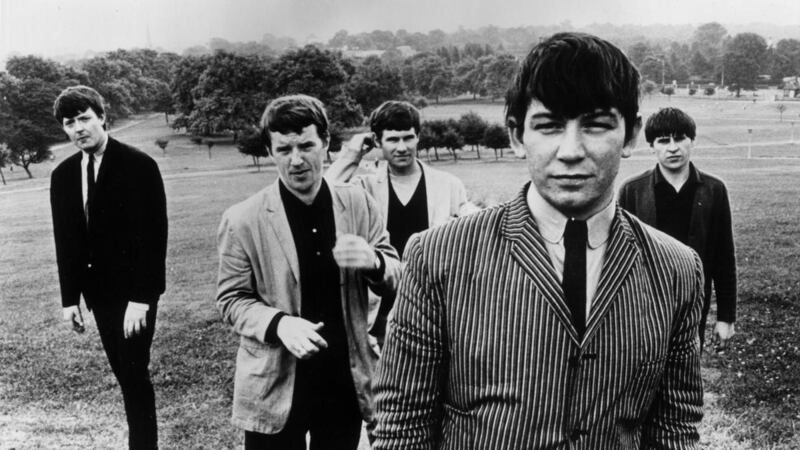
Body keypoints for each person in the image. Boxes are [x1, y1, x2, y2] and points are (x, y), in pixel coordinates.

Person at [373, 32, 704, 449]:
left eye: (596, 125)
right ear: (515, 135)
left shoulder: (676, 268)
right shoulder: (437, 256)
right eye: (548, 126)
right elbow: (402, 427)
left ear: (632, 135)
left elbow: (674, 429)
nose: (570, 150)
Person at [215, 94, 401, 449]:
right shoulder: (242, 219)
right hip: (275, 382)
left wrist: (374, 262)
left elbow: (397, 273)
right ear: (270, 151)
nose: (296, 160)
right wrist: (280, 324)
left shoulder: (359, 202)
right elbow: (231, 299)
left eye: (306, 146)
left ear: (326, 143)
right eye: (284, 150)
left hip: (342, 380)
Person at [50, 85, 167, 450]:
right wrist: (70, 299)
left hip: (134, 296)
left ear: (102, 117)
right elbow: (66, 242)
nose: (79, 128)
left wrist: (142, 298)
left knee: (133, 374)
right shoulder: (63, 175)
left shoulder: (139, 165)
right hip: (98, 296)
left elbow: (153, 236)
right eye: (70, 123)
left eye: (85, 118)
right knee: (126, 374)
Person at [326, 100, 478, 344]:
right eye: (392, 139)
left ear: (418, 137)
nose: (402, 147)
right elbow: (324, 195)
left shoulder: (448, 185)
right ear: (377, 141)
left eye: (408, 138)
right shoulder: (363, 187)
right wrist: (352, 156)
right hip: (381, 315)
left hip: (434, 311)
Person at [618, 107, 737, 348]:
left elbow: (724, 258)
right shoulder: (633, 190)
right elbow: (618, 258)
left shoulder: (714, 190)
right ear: (652, 146)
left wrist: (726, 318)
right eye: (663, 141)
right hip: (643, 308)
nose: (673, 147)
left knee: (687, 377)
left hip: (693, 306)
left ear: (692, 141)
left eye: (680, 138)